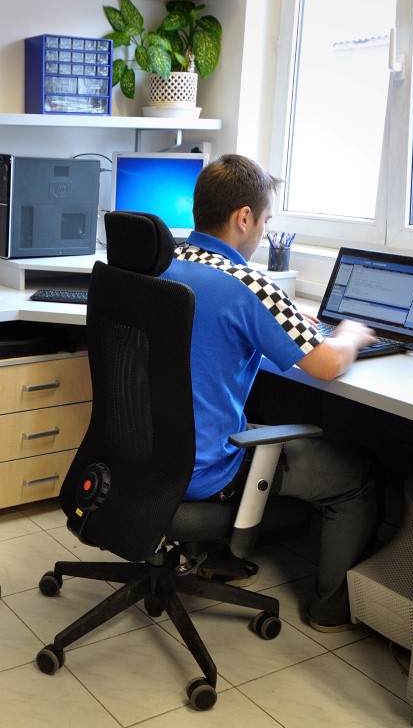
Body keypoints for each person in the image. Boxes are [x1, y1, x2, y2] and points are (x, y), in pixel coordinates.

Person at [159, 153, 380, 632]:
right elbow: (327, 364)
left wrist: (290, 321)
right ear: (244, 218)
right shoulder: (249, 283)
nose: (264, 232)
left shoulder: (164, 265)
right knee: (356, 475)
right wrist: (351, 334)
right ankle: (328, 611)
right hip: (206, 469)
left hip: (149, 452)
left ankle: (217, 557)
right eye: (266, 221)